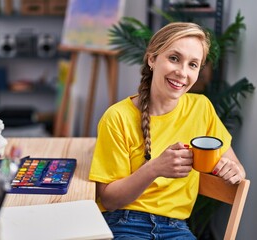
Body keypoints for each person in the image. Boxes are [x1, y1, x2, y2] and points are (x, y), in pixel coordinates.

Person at [89, 22, 246, 239]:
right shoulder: (117, 117)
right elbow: (109, 200)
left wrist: (235, 170)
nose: (182, 72)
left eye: (193, 64)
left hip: (176, 228)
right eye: (174, 58)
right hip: (123, 223)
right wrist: (154, 169)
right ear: (152, 59)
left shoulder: (201, 108)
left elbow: (233, 165)